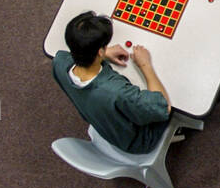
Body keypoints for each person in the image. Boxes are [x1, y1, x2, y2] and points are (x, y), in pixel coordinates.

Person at [52, 12, 171, 154]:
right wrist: (145, 65)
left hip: (105, 124)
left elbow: (71, 56)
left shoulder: (59, 62)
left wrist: (103, 53)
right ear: (99, 52)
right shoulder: (116, 92)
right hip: (139, 141)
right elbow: (164, 107)